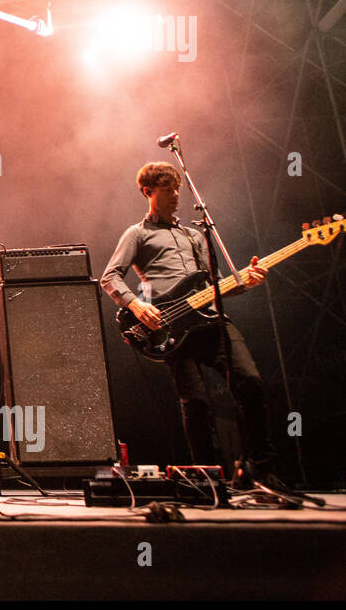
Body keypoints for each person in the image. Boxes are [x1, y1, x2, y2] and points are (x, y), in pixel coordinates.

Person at [99, 162, 276, 484]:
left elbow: (218, 286)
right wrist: (137, 305)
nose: (176, 196)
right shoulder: (137, 233)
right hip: (172, 327)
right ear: (148, 192)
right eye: (168, 190)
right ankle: (208, 478)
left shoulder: (195, 235)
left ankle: (260, 467)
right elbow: (109, 277)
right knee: (194, 402)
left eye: (178, 189)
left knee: (250, 381)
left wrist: (247, 281)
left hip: (210, 321)